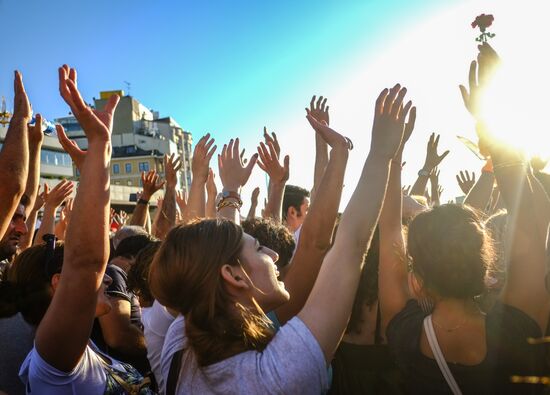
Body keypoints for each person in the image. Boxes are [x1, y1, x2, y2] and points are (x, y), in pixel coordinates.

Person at [146, 84, 412, 394]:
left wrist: (230, 192)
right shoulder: (277, 377)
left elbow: (202, 253)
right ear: (232, 276)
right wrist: (381, 154)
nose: (273, 255)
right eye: (258, 248)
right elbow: (350, 244)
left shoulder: (181, 341)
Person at [379, 45, 550, 394]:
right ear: (486, 264)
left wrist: (391, 156)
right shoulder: (517, 328)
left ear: (416, 281)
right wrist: (492, 121)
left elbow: (388, 232)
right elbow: (535, 225)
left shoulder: (403, 335)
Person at [0, 65, 153, 394]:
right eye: (99, 279)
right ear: (59, 285)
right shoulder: (55, 363)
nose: (108, 279)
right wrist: (100, 147)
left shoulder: (78, 351)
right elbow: (86, 264)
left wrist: (96, 163)